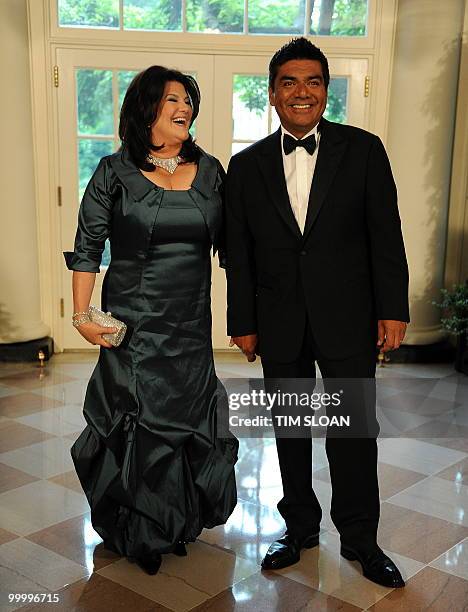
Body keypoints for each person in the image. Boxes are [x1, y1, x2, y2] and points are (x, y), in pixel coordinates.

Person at [225, 38, 409, 588]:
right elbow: (240, 252)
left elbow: (386, 237)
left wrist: (393, 309)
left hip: (349, 316)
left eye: (312, 81)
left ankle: (359, 537)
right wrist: (242, 321)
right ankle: (299, 527)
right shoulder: (247, 164)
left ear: (326, 90)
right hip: (278, 318)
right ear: (274, 93)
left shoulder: (365, 150)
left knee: (354, 431)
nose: (301, 92)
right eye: (289, 82)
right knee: (290, 428)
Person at [64, 65, 238, 576]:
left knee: (187, 423)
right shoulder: (112, 173)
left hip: (190, 329)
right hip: (135, 330)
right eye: (172, 100)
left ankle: (176, 524)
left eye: (187, 100)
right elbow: (87, 249)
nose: (184, 108)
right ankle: (138, 531)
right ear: (146, 110)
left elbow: (234, 249)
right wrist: (81, 315)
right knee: (140, 426)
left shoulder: (209, 171)